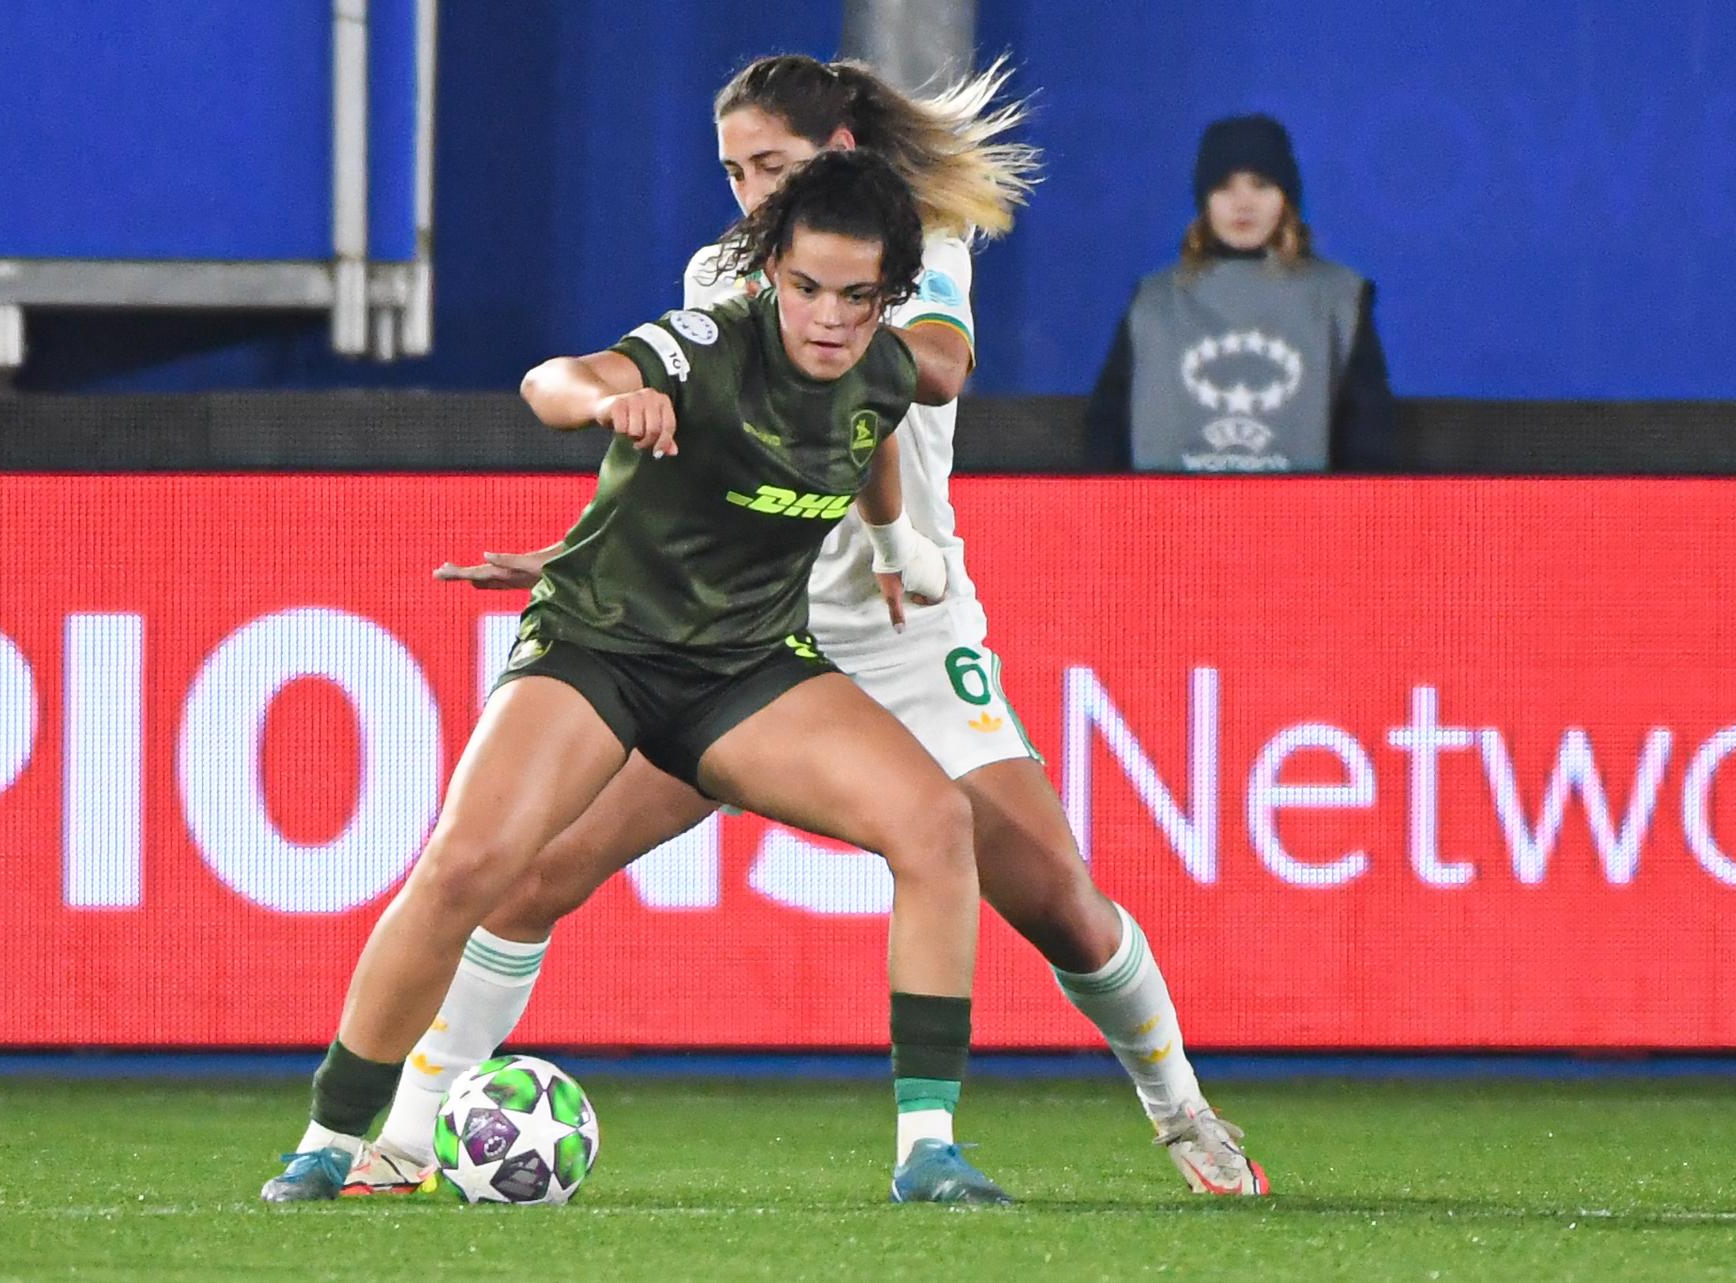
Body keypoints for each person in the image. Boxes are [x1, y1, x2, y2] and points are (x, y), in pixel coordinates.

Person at [358, 55, 1267, 1199]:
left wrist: (859, 341)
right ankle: (404, 1133)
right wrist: (582, 551)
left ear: (837, 156)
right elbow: (690, 451)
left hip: (904, 637)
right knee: (537, 874)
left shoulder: (917, 251)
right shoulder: (728, 270)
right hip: (734, 632)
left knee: (1064, 908)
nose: (747, 194)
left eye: (771, 165)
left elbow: (935, 370)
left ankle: (1185, 1115)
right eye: (733, 170)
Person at [261, 148, 1011, 1206]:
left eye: (855, 296)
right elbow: (554, 378)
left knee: (937, 822)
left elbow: (873, 431)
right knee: (469, 866)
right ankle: (330, 1138)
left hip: (743, 668)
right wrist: (600, 405)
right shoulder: (705, 343)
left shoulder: (883, 369)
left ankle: (927, 1148)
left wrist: (892, 545)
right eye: (804, 288)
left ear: (889, 295)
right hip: (599, 646)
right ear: (769, 272)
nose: (828, 319)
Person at [1084, 113, 1394, 472]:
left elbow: (1369, 442)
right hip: (1170, 522)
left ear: (1285, 196)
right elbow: (1105, 433)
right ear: (1205, 200)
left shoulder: (1338, 298)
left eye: (1260, 183)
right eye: (1224, 186)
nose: (1243, 203)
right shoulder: (1154, 301)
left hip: (1300, 521)